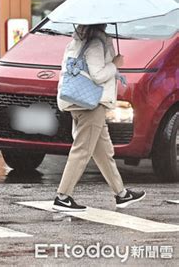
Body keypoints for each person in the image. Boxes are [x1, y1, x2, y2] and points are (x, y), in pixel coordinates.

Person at [54, 24, 145, 212]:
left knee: (104, 153)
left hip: (78, 102)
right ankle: (63, 196)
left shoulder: (75, 43)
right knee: (82, 151)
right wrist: (115, 65)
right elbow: (98, 75)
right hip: (92, 106)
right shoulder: (95, 44)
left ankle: (121, 194)